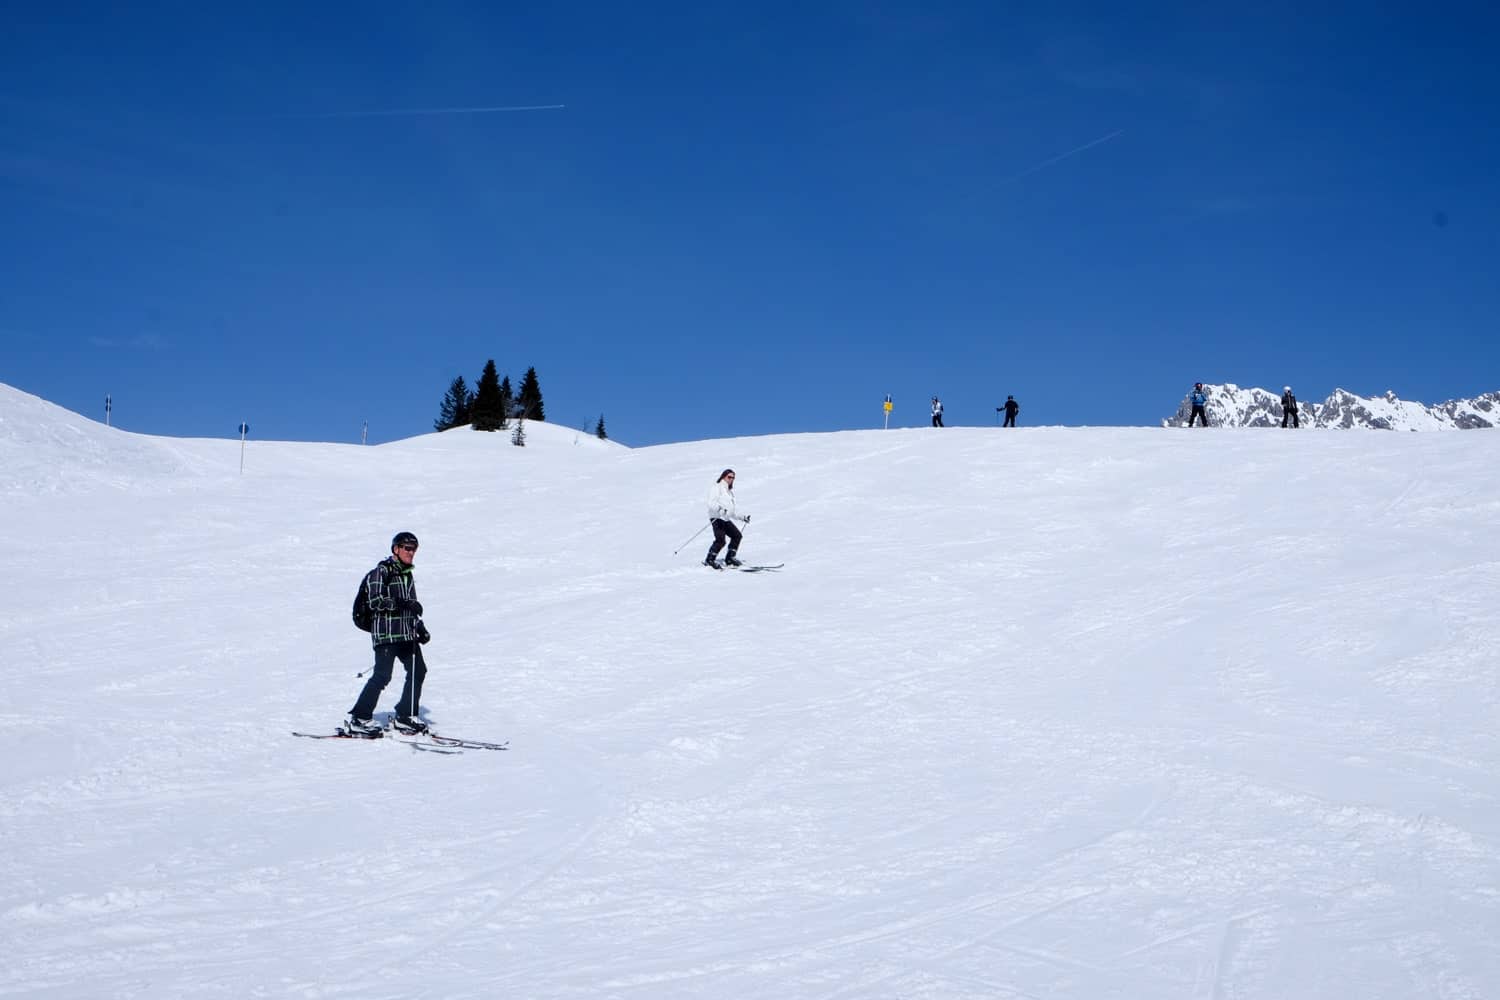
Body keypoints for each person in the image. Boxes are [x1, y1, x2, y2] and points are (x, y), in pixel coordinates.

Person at [344, 531, 432, 735]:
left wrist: (419, 628)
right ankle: (360, 717)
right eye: (407, 548)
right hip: (386, 635)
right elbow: (375, 601)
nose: (411, 552)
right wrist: (401, 602)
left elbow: (409, 609)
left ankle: (405, 715)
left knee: (419, 671)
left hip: (406, 635)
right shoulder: (381, 572)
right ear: (396, 549)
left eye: (414, 549)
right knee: (382, 676)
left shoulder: (407, 575)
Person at [704, 469, 750, 569]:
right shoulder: (717, 487)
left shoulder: (729, 492)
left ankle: (730, 558)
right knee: (720, 540)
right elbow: (711, 503)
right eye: (729, 477)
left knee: (737, 536)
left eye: (733, 477)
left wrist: (743, 517)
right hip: (717, 517)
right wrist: (720, 509)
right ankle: (709, 559)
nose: (731, 479)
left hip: (725, 518)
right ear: (723, 476)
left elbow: (731, 512)